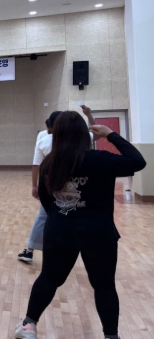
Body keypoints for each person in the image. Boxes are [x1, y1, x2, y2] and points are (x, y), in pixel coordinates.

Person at [14, 112, 146, 339]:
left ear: (57, 135)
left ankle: (28, 326)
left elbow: (46, 200)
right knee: (104, 285)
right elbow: (138, 161)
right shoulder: (100, 160)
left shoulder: (49, 164)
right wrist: (110, 134)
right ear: (84, 134)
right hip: (98, 233)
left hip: (59, 231)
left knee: (49, 278)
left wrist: (62, 215)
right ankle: (111, 336)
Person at [18, 106, 97, 263]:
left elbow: (36, 165)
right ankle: (84, 250)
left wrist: (34, 186)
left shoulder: (43, 141)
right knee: (80, 216)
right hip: (78, 185)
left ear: (50, 125)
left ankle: (30, 250)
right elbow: (96, 132)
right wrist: (89, 114)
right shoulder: (79, 138)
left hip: (53, 186)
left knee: (44, 216)